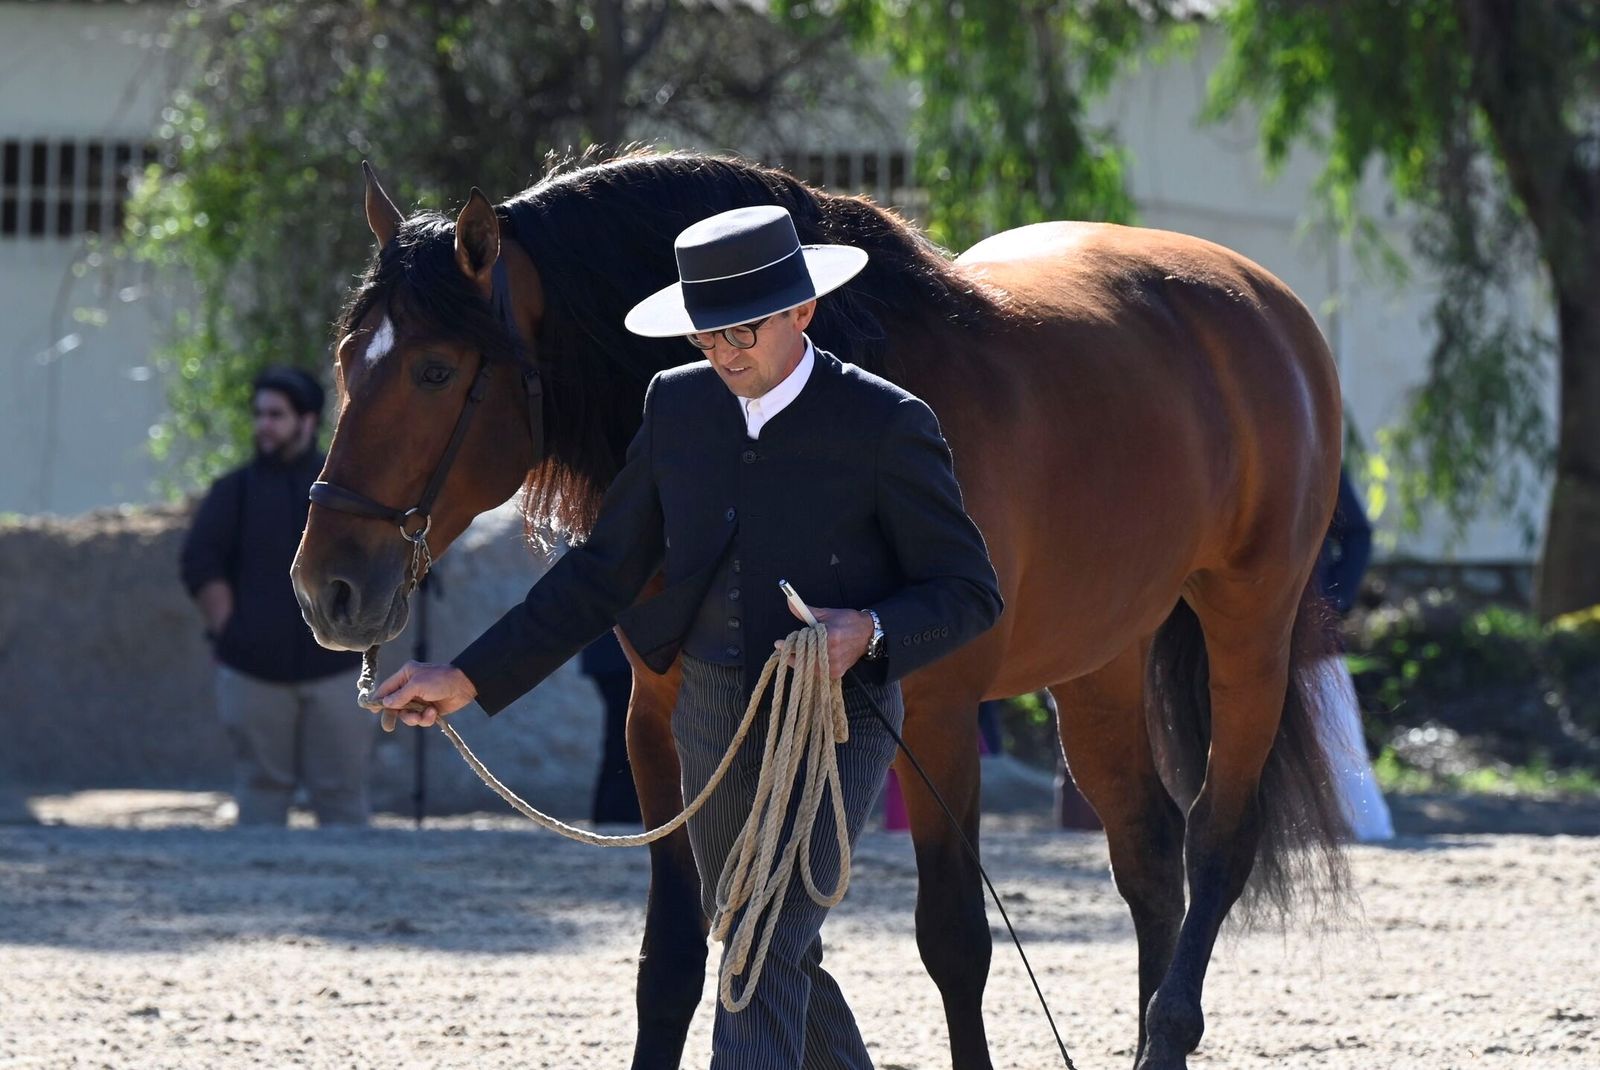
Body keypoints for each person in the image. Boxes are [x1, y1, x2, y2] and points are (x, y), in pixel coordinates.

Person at [374, 205, 1003, 1067]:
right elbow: (603, 572)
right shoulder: (674, 408)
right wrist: (469, 676)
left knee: (756, 946)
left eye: (743, 330)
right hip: (707, 711)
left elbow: (970, 593)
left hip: (833, 716)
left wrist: (871, 629)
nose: (725, 352)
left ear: (802, 312)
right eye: (707, 335)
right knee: (767, 941)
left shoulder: (887, 423)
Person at [180, 367, 370, 826]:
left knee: (342, 798)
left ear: (306, 421)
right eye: (260, 414)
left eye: (276, 415)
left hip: (337, 672)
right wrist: (229, 631)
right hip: (253, 673)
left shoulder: (343, 493)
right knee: (261, 797)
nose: (264, 425)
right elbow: (200, 563)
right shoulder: (234, 491)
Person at [1312, 466, 1395, 842]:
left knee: (1340, 735)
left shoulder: (1314, 453)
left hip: (1311, 625)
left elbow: (1357, 533)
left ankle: (1373, 831)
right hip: (1228, 627)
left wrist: (1335, 598)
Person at [580, 630, 642, 825]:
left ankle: (612, 815)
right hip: (620, 656)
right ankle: (618, 815)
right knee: (627, 739)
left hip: (611, 655)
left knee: (621, 738)